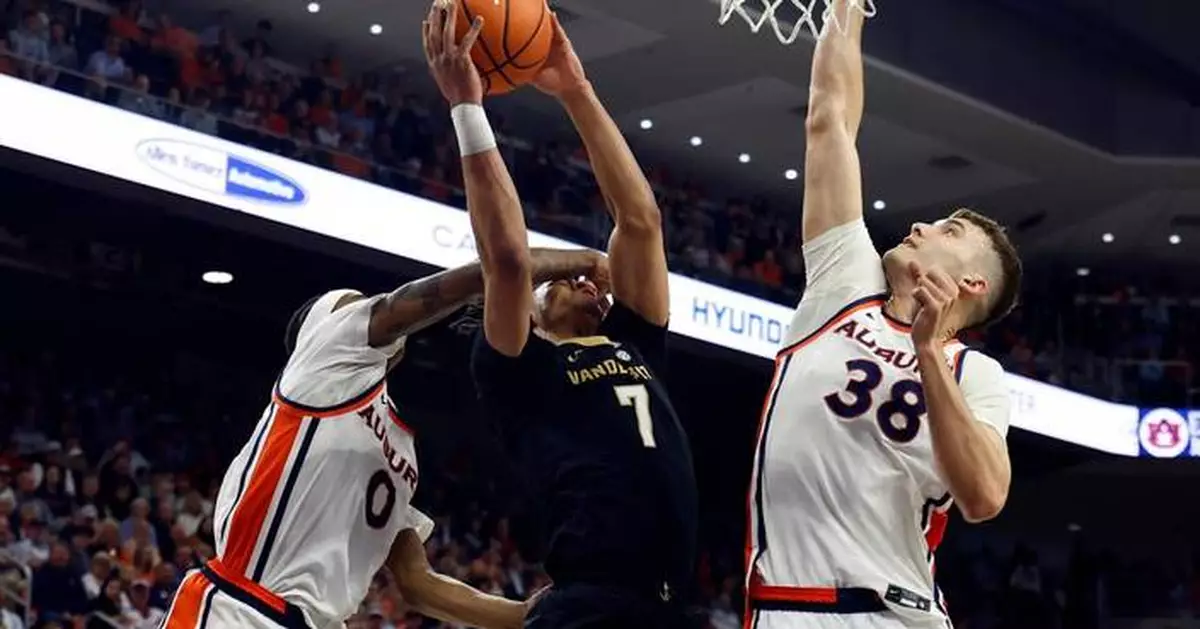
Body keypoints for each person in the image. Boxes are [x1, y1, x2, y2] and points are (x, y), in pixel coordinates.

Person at [743, 2, 1023, 628]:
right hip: (787, 608)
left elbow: (983, 497)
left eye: (948, 230)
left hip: (896, 615)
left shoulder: (974, 372)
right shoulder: (846, 281)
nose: (921, 224)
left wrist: (927, 355)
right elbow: (830, 121)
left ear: (972, 282)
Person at [422, 2, 698, 627]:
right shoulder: (518, 365)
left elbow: (641, 222)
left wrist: (578, 90)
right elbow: (511, 261)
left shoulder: (635, 343)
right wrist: (467, 106)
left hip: (671, 610)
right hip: (587, 602)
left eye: (587, 278)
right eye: (567, 282)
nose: (585, 281)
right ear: (537, 312)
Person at [159, 244, 603, 626]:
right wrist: (559, 265)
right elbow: (439, 291)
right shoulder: (324, 364)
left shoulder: (400, 449)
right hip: (242, 606)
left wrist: (532, 615)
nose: (367, 306)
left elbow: (418, 583)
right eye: (353, 303)